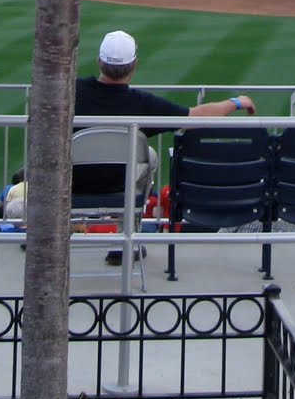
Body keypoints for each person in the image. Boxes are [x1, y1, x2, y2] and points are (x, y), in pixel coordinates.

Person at [74, 29, 256, 264]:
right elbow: (196, 117)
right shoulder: (141, 103)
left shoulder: (72, 91)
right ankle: (125, 239)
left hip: (72, 182)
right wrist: (236, 102)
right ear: (134, 65)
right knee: (147, 155)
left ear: (100, 62)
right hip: (119, 183)